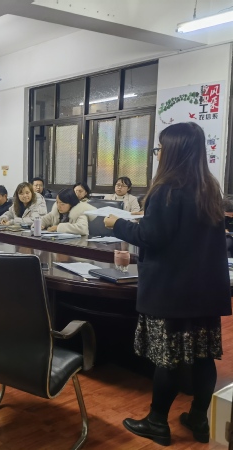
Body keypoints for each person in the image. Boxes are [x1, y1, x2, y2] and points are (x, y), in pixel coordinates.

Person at [104, 122, 231, 446]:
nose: (157, 154)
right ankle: (199, 419)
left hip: (172, 291)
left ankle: (157, 422)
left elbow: (151, 236)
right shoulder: (209, 187)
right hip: (204, 291)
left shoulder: (167, 188)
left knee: (168, 359)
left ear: (173, 151)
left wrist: (116, 223)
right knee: (203, 356)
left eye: (159, 148)